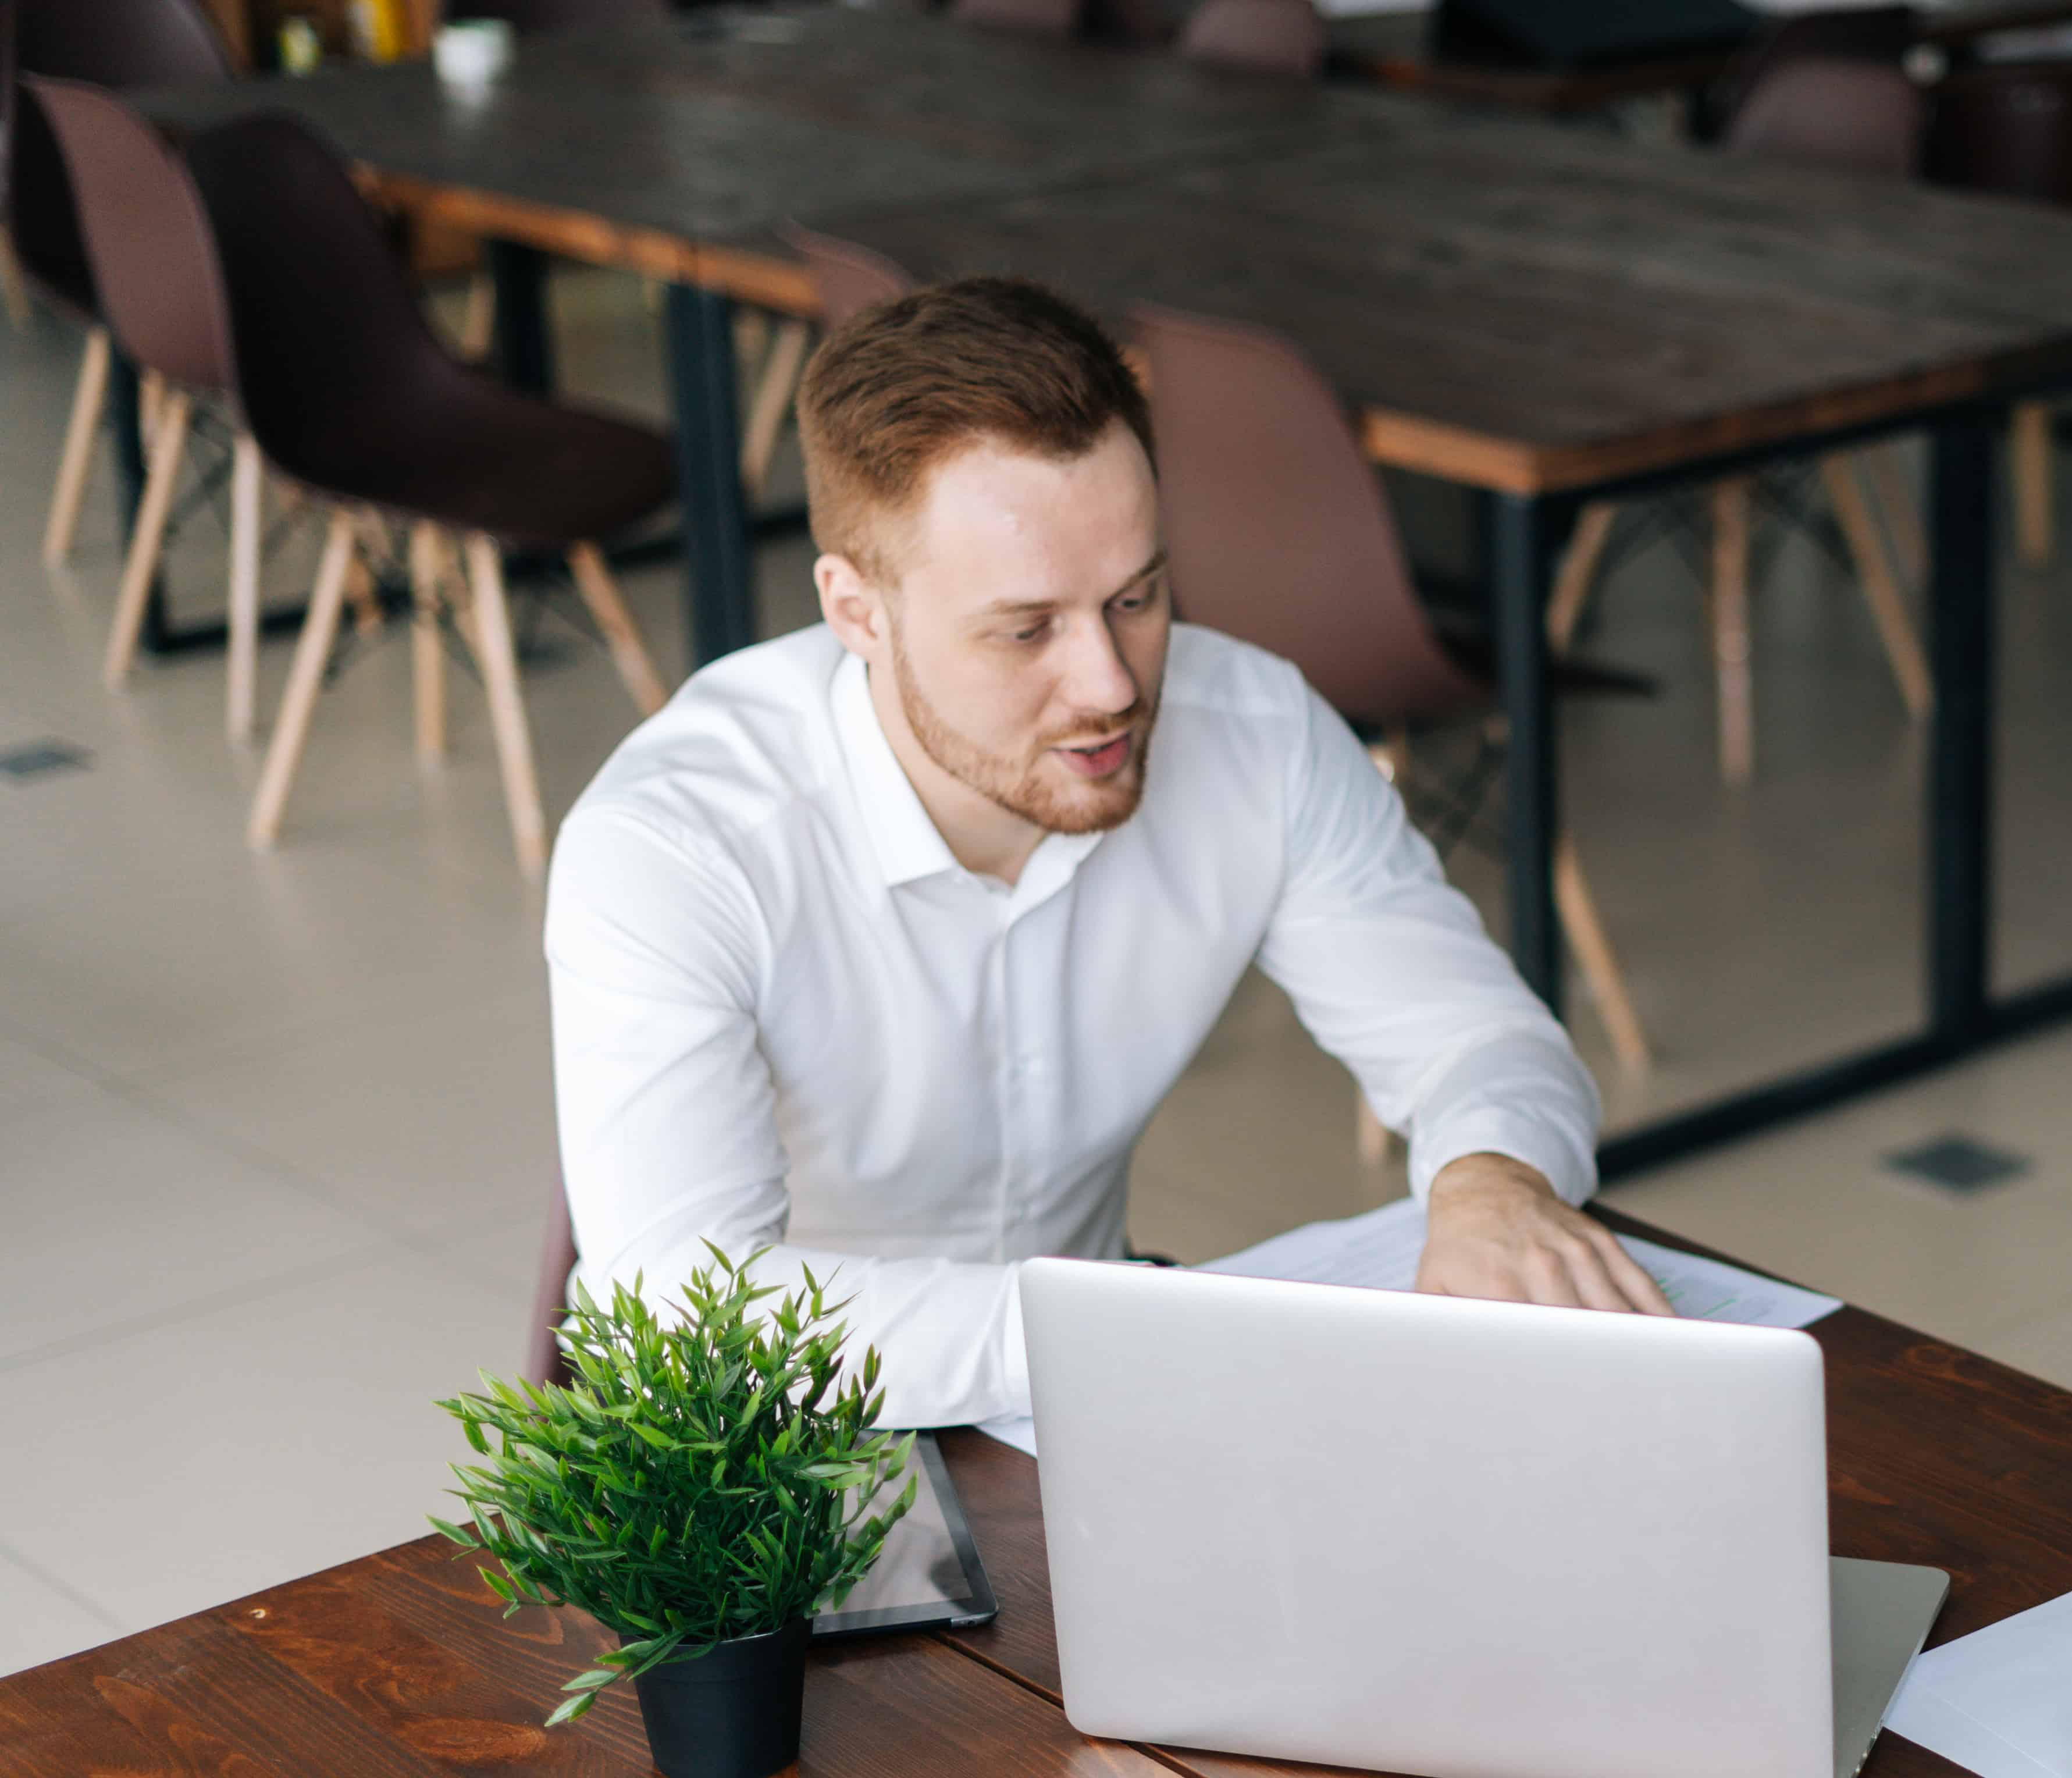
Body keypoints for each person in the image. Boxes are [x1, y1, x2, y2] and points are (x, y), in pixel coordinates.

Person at [547, 279, 1664, 1432]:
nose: (1113, 685)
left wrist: (1495, 1174)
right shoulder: (678, 847)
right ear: (857, 610)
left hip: (1092, 1400)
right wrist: (1114, 1334)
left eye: (1137, 595)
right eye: (1025, 629)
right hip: (770, 1452)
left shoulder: (1255, 734)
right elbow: (686, 1314)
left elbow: (1476, 1038)